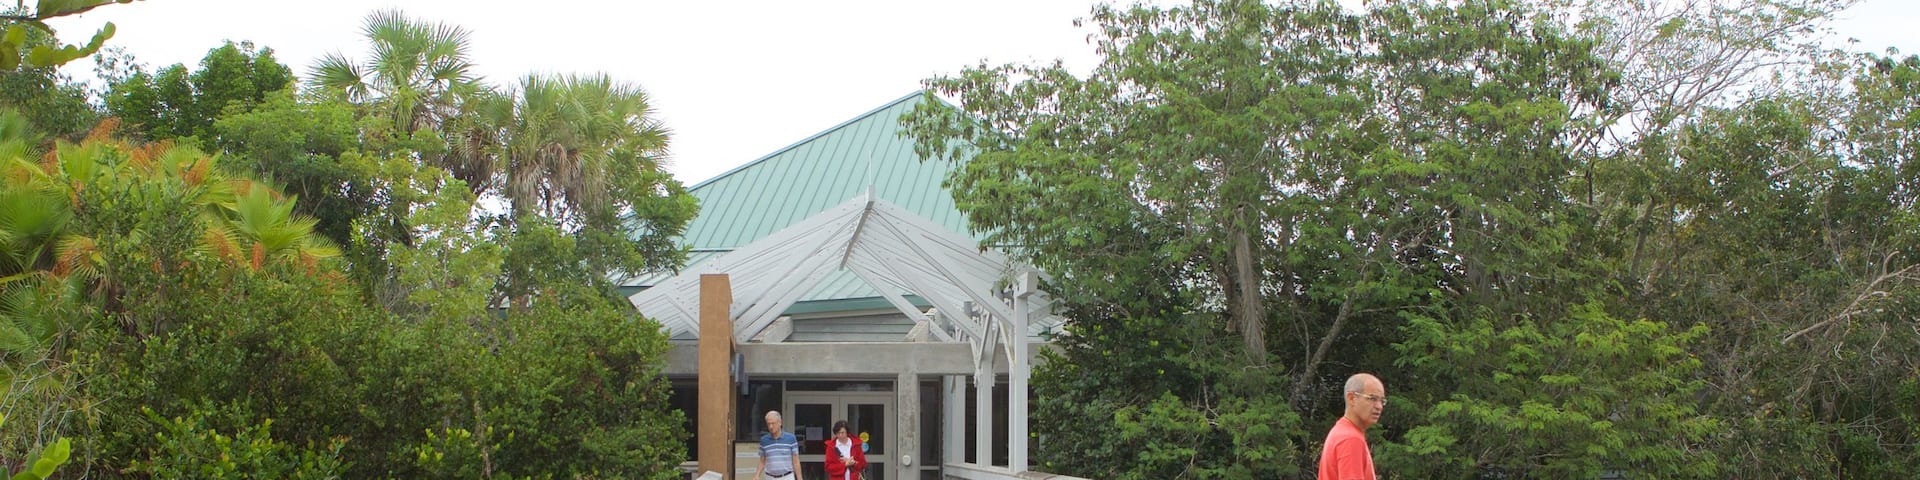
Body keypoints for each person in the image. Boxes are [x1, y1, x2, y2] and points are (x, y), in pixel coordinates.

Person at [1318, 373, 1385, 480]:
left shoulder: (1341, 431)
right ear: (1351, 398)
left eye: (1382, 401)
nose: (1379, 406)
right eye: (1372, 398)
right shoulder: (1351, 439)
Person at [757, 410, 801, 480]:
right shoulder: (764, 440)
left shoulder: (791, 438)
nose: (771, 426)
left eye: (773, 423)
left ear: (780, 422)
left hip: (787, 476)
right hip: (769, 477)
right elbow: (762, 460)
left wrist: (799, 478)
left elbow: (795, 461)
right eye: (768, 424)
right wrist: (757, 475)